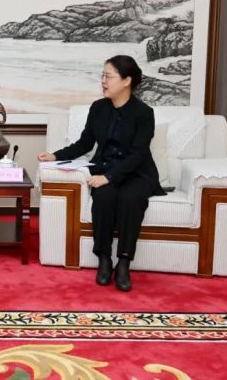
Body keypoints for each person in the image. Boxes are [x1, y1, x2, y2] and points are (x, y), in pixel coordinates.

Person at [38, 55, 165, 291]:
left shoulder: (144, 113)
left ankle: (124, 262)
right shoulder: (98, 108)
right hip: (105, 168)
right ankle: (104, 259)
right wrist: (55, 155)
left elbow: (138, 155)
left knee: (130, 199)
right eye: (103, 76)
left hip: (137, 173)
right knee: (104, 197)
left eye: (109, 76)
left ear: (126, 81)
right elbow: (85, 143)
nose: (103, 81)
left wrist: (109, 177)